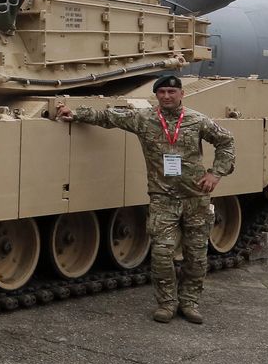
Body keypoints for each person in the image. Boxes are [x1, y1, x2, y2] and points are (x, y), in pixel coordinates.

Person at [54, 74, 235, 324]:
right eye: (162, 93)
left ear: (181, 94)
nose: (167, 96)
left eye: (172, 92)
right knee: (161, 254)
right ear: (157, 95)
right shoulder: (145, 118)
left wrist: (216, 173)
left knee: (196, 255)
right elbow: (109, 117)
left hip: (195, 198)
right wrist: (76, 113)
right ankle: (167, 303)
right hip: (162, 198)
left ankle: (190, 302)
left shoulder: (197, 120)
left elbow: (226, 141)